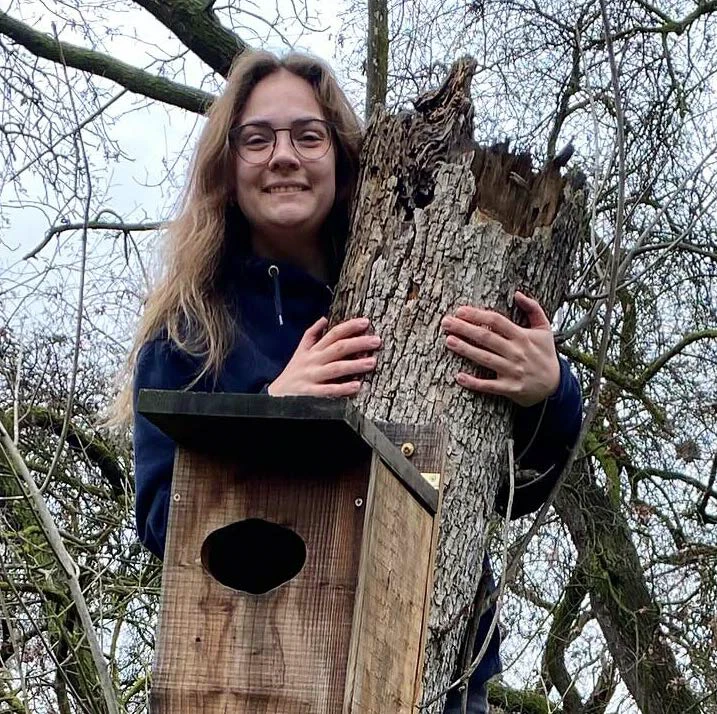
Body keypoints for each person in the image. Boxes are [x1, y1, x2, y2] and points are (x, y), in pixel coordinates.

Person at [119, 49, 582, 714]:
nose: (283, 155)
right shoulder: (191, 336)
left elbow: (506, 492)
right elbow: (167, 526)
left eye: (308, 136)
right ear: (226, 165)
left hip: (438, 676)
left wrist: (548, 393)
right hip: (260, 676)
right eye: (257, 138)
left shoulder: (415, 288)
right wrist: (275, 412)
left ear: (341, 157)